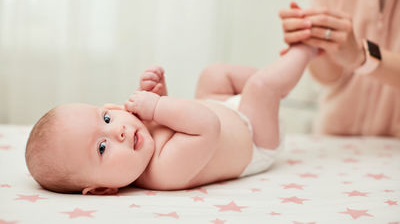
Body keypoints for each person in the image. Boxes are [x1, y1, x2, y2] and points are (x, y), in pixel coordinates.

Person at [25, 45, 316, 194]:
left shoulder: (140, 138)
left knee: (213, 74)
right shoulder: (163, 172)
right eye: (102, 147)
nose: (120, 133)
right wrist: (157, 107)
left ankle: (283, 79)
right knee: (259, 88)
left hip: (226, 110)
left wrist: (162, 95)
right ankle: (305, 50)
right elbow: (205, 126)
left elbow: (182, 117)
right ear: (103, 189)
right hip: (255, 139)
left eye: (106, 118)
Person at [279, 0, 400, 136]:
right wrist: (312, 42)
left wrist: (362, 56)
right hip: (337, 137)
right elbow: (329, 77)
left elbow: (356, 56)